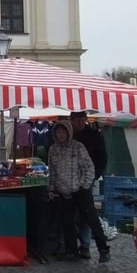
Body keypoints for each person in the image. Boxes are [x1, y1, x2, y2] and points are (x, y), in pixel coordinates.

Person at [47, 119, 110, 263]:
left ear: (68, 132)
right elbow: (52, 171)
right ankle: (71, 250)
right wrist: (51, 188)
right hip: (63, 191)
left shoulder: (78, 147)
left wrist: (84, 185)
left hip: (80, 190)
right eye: (58, 132)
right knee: (67, 222)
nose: (61, 134)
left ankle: (103, 249)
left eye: (63, 132)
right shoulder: (53, 150)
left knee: (91, 220)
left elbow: (89, 168)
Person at [70, 111, 108, 259]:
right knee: (69, 216)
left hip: (86, 182)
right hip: (67, 183)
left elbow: (102, 158)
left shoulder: (94, 135)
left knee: (88, 215)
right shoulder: (66, 134)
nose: (80, 123)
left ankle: (87, 246)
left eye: (82, 120)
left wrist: (93, 177)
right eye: (77, 120)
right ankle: (69, 247)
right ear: (71, 120)